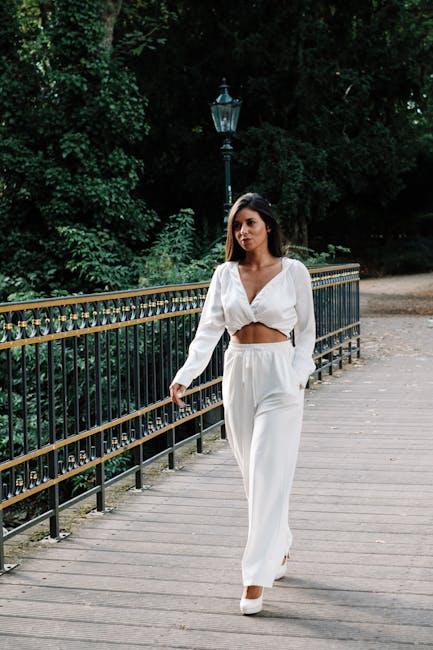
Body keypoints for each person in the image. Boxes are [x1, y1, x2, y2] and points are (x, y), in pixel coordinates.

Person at [169, 192, 316, 615]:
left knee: (268, 470)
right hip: (238, 372)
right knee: (254, 476)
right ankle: (280, 542)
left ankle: (254, 576)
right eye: (237, 225)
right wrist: (186, 375)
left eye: (250, 222)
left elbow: (306, 332)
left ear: (267, 225)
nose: (243, 231)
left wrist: (297, 376)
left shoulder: (293, 272)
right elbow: (208, 329)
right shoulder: (224, 274)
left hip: (279, 374)